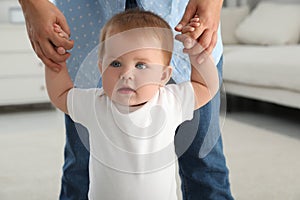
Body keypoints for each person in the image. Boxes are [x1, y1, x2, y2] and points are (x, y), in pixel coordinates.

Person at [19, 0, 233, 199]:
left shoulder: (171, 101)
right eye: (115, 64)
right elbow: (61, 94)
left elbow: (206, 86)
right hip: (88, 15)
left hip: (178, 11)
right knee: (78, 169)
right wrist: (55, 60)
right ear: (100, 67)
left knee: (206, 165)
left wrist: (198, 54)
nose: (126, 74)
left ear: (163, 75)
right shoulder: (95, 103)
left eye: (140, 65)